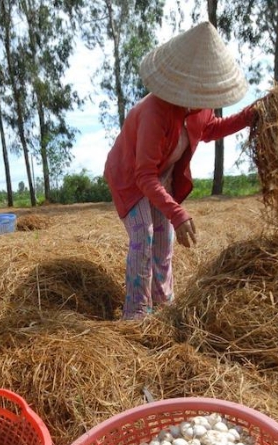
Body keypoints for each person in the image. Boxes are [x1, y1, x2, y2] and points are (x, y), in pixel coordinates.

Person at [104, 22, 259, 320]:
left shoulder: (200, 107)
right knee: (144, 236)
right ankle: (136, 314)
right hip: (131, 177)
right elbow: (143, 175)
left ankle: (163, 305)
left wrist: (249, 116)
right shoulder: (154, 112)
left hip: (158, 177)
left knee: (164, 240)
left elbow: (209, 128)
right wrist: (178, 213)